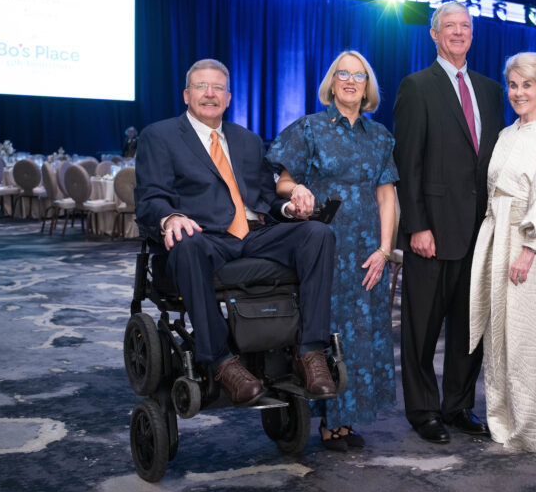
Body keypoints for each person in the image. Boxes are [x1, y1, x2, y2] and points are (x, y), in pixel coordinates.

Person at [135, 58, 337, 407]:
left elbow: (264, 197)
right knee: (186, 242)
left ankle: (310, 352)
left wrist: (288, 209)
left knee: (317, 233)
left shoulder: (247, 140)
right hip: (202, 238)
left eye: (217, 88)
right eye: (201, 86)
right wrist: (170, 219)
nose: (210, 94)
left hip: (254, 235)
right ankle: (220, 361)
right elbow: (151, 197)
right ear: (186, 94)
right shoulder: (160, 136)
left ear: (228, 98)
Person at [267, 50, 398, 451]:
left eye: (359, 76)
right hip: (324, 246)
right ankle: (328, 422)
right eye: (343, 74)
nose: (350, 81)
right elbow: (281, 184)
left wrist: (385, 250)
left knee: (364, 334)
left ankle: (349, 421)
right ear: (332, 81)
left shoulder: (381, 137)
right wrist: (299, 188)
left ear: (367, 86)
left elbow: (387, 197)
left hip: (367, 251)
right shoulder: (310, 129)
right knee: (328, 330)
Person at [393, 1, 506, 444]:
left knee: (469, 328)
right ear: (434, 35)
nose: (458, 32)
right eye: (449, 26)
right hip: (433, 231)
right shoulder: (416, 86)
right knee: (421, 328)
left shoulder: (491, 90)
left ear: (472, 35)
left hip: (482, 231)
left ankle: (458, 405)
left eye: (465, 26)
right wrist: (416, 226)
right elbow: (409, 163)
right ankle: (423, 411)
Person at [469, 52, 536, 453]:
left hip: (529, 243)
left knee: (527, 337)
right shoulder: (506, 134)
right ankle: (503, 422)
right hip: (498, 236)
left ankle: (531, 431)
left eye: (527, 85)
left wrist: (529, 249)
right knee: (497, 338)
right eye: (513, 85)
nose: (519, 93)